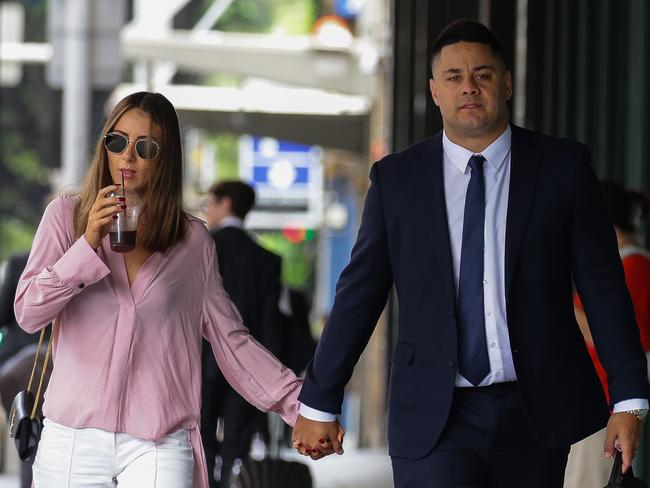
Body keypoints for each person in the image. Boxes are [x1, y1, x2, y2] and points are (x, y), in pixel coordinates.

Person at [291, 18, 650, 488]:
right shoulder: (397, 180)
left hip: (535, 408)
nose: (469, 88)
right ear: (434, 91)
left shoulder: (563, 168)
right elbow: (360, 293)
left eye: (482, 74)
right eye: (454, 78)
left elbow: (603, 287)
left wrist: (628, 399)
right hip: (434, 413)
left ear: (506, 83)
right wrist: (319, 400)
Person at [14, 91, 302, 488]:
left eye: (145, 147)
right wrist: (87, 245)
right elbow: (29, 312)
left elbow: (231, 340)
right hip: (72, 438)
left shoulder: (194, 241)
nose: (127, 157)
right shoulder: (66, 216)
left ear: (166, 159)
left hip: (158, 443)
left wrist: (299, 405)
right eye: (118, 141)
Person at [564, 181, 650, 488]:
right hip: (588, 402)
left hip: (603, 405)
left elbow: (627, 342)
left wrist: (560, 304)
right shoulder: (625, 265)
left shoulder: (634, 266)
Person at [201, 180, 283, 488]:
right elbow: (271, 322)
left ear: (224, 204)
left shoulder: (201, 247)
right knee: (237, 440)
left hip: (200, 359)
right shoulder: (267, 260)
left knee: (201, 435)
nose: (207, 211)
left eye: (210, 203)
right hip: (248, 364)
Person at [0, 250, 40, 488]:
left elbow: (3, 315)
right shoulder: (92, 260)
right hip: (62, 366)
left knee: (27, 442)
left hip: (20, 370)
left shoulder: (20, 260)